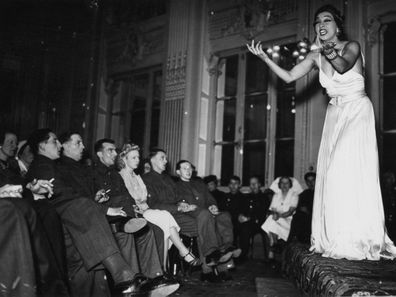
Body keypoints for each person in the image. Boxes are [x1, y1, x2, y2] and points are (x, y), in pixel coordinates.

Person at [247, 4, 396, 260]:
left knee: (343, 169)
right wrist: (265, 59)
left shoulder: (352, 46)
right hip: (335, 114)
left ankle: (361, 237)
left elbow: (341, 66)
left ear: (337, 26)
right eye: (317, 22)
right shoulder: (315, 57)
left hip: (357, 110)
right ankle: (339, 237)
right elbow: (289, 76)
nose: (321, 25)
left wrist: (324, 49)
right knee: (332, 176)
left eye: (326, 20)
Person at [117, 143, 201, 267]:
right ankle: (183, 252)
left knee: (164, 225)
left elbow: (147, 198)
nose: (138, 160)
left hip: (146, 210)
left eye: (138, 157)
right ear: (124, 159)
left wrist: (182, 204)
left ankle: (164, 268)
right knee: (165, 217)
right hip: (137, 212)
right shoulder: (121, 176)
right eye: (134, 158)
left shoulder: (137, 177)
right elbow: (131, 200)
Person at [262, 177, 299, 259]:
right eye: (282, 183)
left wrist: (278, 216)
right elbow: (272, 209)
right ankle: (275, 245)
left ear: (290, 185)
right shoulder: (276, 195)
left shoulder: (294, 195)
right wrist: (275, 214)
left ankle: (273, 247)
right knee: (271, 220)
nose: (284, 185)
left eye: (286, 183)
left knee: (271, 222)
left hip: (289, 221)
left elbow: (290, 212)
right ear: (279, 185)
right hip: (277, 219)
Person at [238, 176, 271, 260]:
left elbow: (262, 213)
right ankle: (237, 253)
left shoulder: (264, 197)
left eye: (255, 183)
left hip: (260, 223)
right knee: (239, 226)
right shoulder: (247, 197)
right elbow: (242, 209)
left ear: (259, 184)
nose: (253, 185)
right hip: (248, 222)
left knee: (245, 228)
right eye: (251, 184)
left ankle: (243, 254)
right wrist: (240, 215)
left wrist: (248, 218)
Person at [288, 172, 316, 244]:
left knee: (300, 218)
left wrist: (308, 211)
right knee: (297, 217)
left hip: (315, 217)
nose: (311, 183)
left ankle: (293, 241)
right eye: (308, 181)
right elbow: (299, 206)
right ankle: (292, 242)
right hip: (304, 216)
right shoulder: (304, 193)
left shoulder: (320, 193)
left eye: (313, 180)